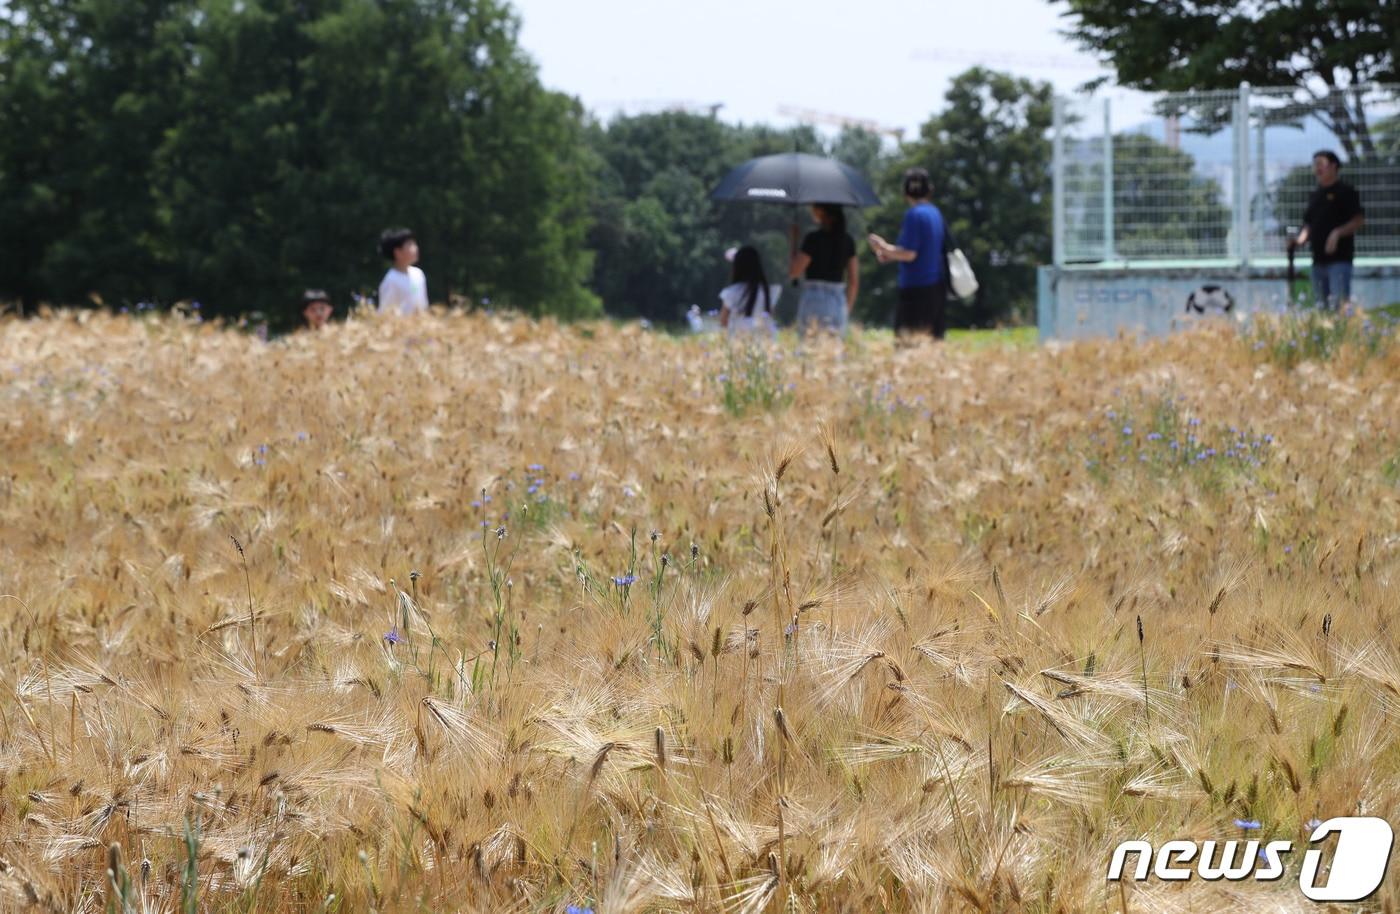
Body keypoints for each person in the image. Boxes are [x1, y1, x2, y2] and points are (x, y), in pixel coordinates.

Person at [867, 167, 948, 339]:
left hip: (916, 290)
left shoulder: (913, 215)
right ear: (929, 190)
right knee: (932, 346)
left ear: (905, 192)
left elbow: (910, 254)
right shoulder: (935, 213)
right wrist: (889, 254)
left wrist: (883, 247)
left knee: (907, 346)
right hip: (936, 288)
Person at [1294, 150, 1364, 310]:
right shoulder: (1315, 194)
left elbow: (1358, 220)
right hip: (1317, 261)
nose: (1317, 168)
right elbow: (1308, 224)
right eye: (1315, 165)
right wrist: (1299, 240)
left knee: (1339, 307)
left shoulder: (1346, 192)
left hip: (1339, 261)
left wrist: (1337, 233)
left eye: (1321, 164)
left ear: (1333, 166)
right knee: (1321, 309)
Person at [790, 203, 859, 334]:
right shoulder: (848, 241)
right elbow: (854, 282)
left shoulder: (813, 239)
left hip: (814, 298)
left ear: (822, 212)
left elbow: (794, 272)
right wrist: (846, 309)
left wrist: (794, 242)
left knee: (810, 349)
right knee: (831, 351)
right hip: (838, 301)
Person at [718, 246, 781, 337]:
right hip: (765, 341)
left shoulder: (732, 292)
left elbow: (723, 321)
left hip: (739, 341)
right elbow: (770, 316)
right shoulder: (768, 291)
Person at [377, 227, 429, 316]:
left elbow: (424, 307)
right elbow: (385, 314)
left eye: (414, 244)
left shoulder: (418, 274)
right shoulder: (391, 280)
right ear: (397, 252)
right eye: (410, 244)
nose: (416, 248)